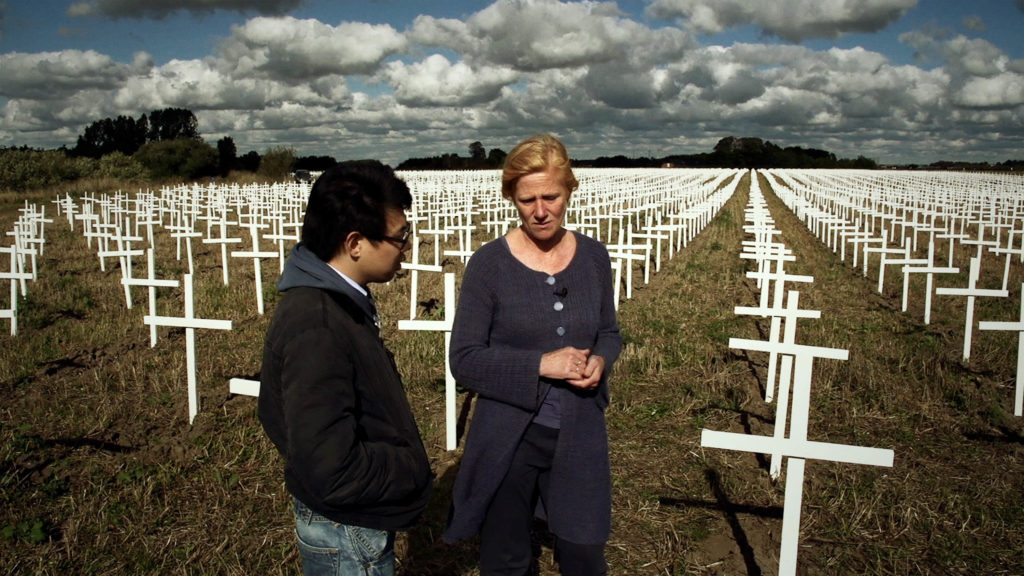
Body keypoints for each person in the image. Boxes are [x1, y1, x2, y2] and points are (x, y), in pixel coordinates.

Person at [442, 134, 622, 575]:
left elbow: (609, 332)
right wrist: (541, 365)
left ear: (570, 191)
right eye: (527, 200)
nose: (540, 211)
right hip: (509, 435)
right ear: (511, 198)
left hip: (579, 429)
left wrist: (600, 360)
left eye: (551, 197)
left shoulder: (594, 257)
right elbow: (463, 358)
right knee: (507, 557)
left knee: (583, 552)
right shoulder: (489, 264)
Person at [258, 161, 433, 576]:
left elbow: (279, 414)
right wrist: (408, 467)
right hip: (349, 533)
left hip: (348, 521)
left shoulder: (333, 303)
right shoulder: (318, 323)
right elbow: (330, 467)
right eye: (399, 237)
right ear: (355, 243)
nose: (405, 247)